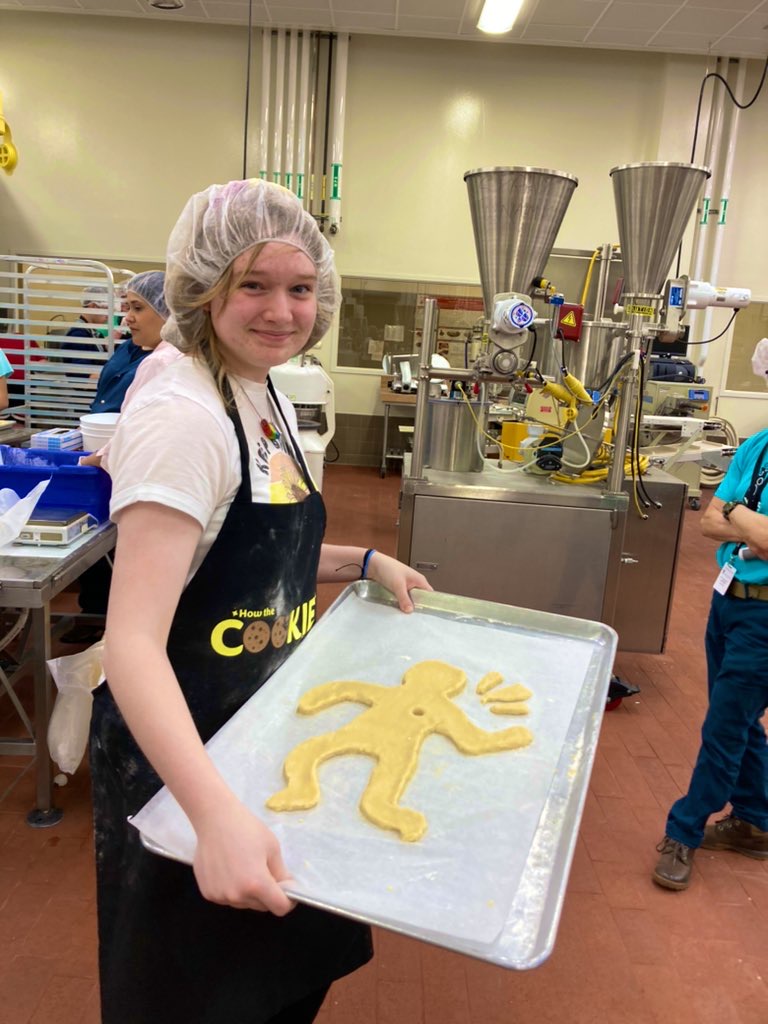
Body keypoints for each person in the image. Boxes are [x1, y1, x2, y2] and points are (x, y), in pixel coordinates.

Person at [90, 178, 432, 1024]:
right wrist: (211, 817)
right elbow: (131, 644)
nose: (283, 311)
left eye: (301, 288)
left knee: (278, 984)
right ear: (202, 287)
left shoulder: (257, 384)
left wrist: (363, 561)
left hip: (259, 732)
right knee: (196, 998)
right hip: (186, 757)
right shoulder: (182, 416)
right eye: (253, 285)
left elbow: (255, 544)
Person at [653, 428, 768, 891]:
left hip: (763, 619)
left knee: (723, 728)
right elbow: (707, 523)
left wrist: (735, 511)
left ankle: (684, 830)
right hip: (728, 602)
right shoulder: (757, 444)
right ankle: (755, 823)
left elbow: (726, 514)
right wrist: (750, 523)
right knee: (737, 721)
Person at [88, 270, 168, 414]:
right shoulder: (127, 347)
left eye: (137, 308)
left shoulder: (167, 362)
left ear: (165, 310)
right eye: (128, 307)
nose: (128, 317)